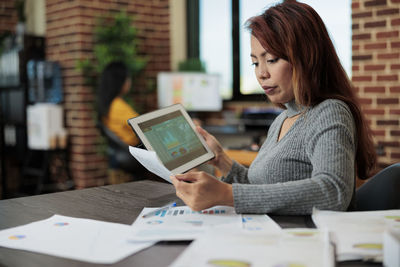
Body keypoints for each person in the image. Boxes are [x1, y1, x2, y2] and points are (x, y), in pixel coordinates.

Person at [171, 0, 377, 215]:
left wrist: (226, 194)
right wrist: (221, 160)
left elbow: (333, 191)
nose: (261, 73)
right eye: (255, 63)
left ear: (306, 57)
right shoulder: (283, 119)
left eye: (271, 59)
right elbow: (262, 190)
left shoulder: (330, 112)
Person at [97, 61, 140, 146]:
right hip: (134, 151)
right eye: (128, 78)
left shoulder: (108, 104)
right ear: (121, 81)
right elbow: (142, 127)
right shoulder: (117, 105)